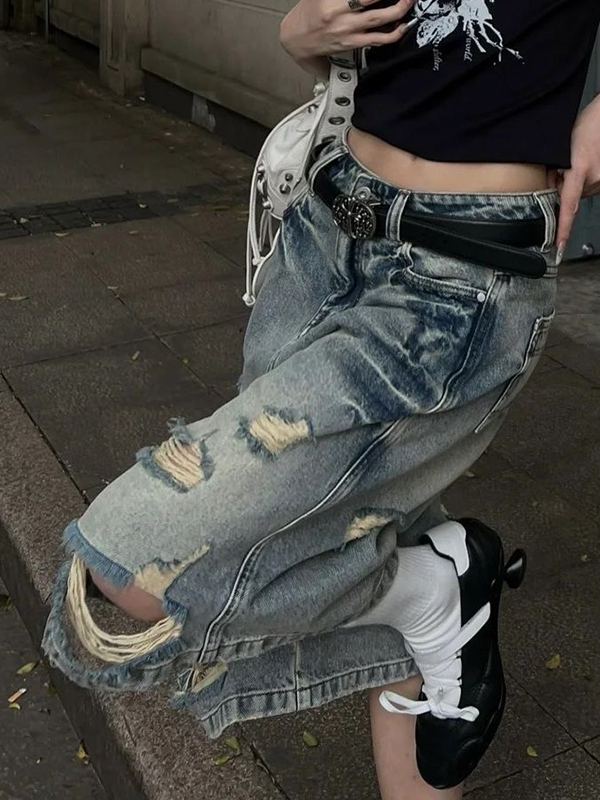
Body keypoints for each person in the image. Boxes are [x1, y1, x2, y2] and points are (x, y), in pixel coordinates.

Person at [43, 1, 600, 798]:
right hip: (323, 233)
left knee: (137, 562)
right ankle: (434, 603)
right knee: (375, 555)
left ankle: (436, 593)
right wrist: (302, 34)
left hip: (457, 278)